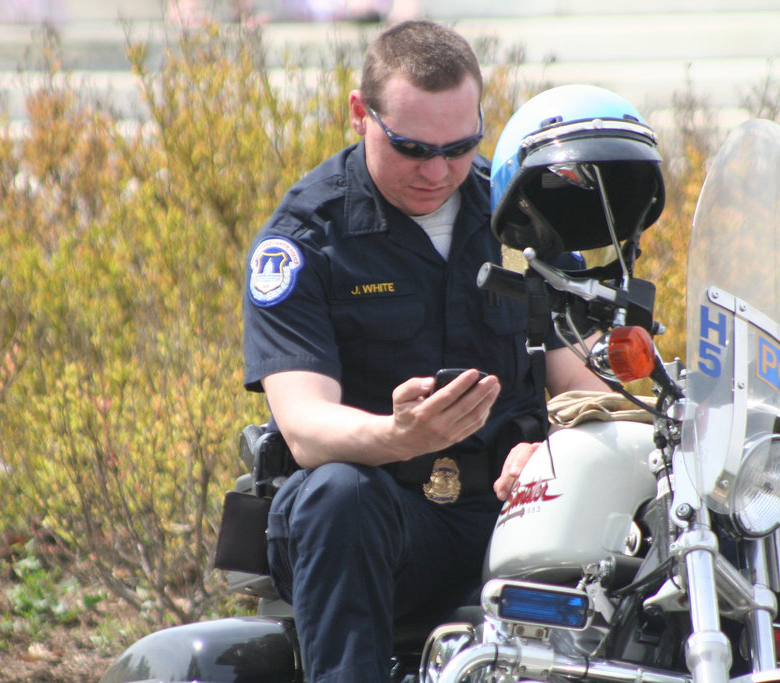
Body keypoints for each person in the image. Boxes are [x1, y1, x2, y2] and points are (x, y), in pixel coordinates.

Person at [242, 20, 608, 682]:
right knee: (337, 492)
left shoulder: (525, 222)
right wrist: (397, 434)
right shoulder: (305, 240)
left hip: (514, 512)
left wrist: (554, 449)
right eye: (411, 147)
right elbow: (304, 426)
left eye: (460, 146)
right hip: (380, 525)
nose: (437, 170)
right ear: (361, 114)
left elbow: (594, 391)